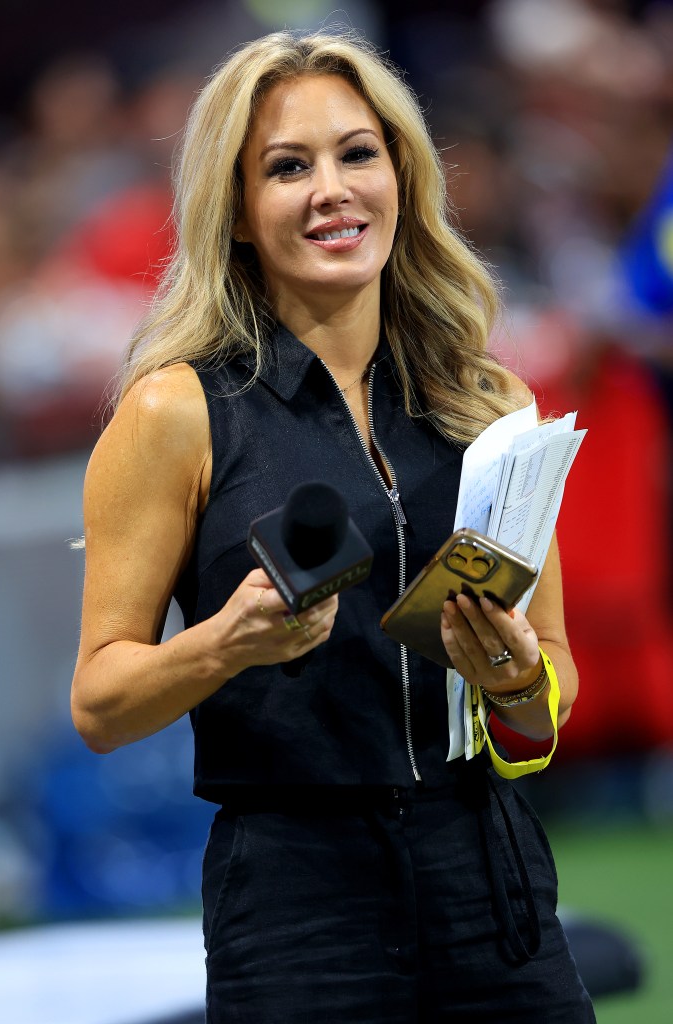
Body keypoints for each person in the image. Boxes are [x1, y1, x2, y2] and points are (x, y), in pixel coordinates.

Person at [71, 30, 595, 1023]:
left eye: (356, 153)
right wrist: (225, 644)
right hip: (295, 903)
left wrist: (514, 679)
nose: (330, 189)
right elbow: (100, 702)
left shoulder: (490, 403)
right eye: (285, 166)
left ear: (400, 174)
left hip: (490, 878)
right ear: (233, 212)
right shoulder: (173, 412)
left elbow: (547, 684)